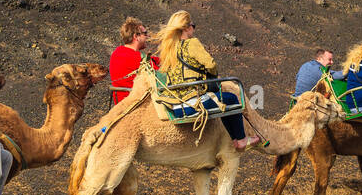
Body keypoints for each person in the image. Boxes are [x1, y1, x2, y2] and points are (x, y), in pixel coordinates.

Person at [153, 10, 258, 150]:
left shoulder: (169, 49)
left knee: (223, 100)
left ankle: (235, 140)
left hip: (177, 107)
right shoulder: (191, 43)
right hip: (193, 104)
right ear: (186, 27)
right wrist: (210, 74)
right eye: (192, 25)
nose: (194, 29)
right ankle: (241, 139)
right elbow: (211, 65)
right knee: (231, 98)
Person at [109, 17, 158, 105]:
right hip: (136, 103)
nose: (148, 36)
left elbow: (155, 60)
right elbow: (159, 75)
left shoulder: (117, 52)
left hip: (120, 102)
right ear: (136, 36)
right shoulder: (136, 57)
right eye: (145, 33)